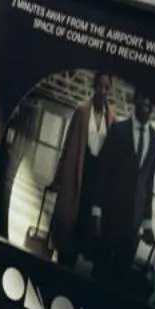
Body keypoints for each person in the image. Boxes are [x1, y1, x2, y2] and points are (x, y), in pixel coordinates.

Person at [98, 91, 155, 294]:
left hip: (134, 222)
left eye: (151, 101)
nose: (148, 103)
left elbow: (148, 181)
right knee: (99, 270)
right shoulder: (118, 129)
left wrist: (147, 222)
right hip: (111, 213)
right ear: (135, 100)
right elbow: (103, 171)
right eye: (144, 98)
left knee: (120, 276)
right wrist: (95, 211)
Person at [49, 72, 114, 269]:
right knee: (68, 222)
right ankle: (62, 262)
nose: (102, 91)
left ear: (110, 90)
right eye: (99, 86)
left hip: (96, 182)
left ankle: (72, 261)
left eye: (106, 87)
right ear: (93, 87)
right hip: (77, 172)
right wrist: (57, 179)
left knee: (84, 229)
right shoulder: (81, 110)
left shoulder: (112, 118)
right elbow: (68, 144)